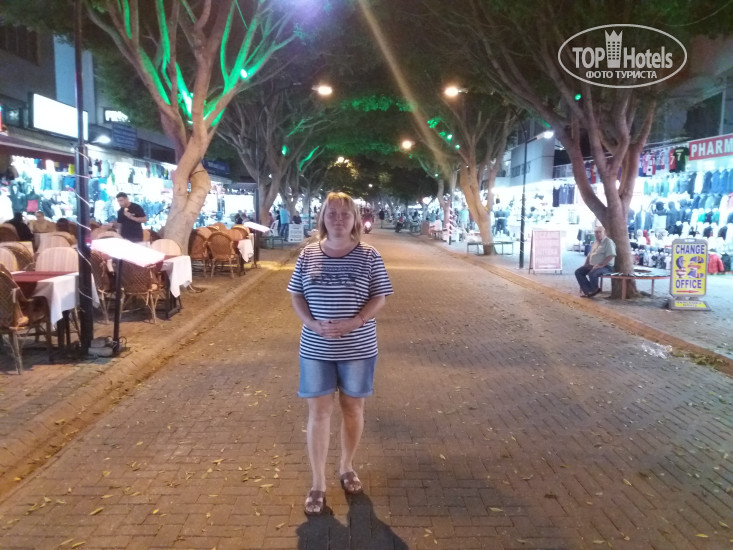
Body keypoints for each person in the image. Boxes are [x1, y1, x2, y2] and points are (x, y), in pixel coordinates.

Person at [287, 191, 393, 516]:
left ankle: (347, 466)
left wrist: (356, 321)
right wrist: (311, 323)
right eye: (331, 213)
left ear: (356, 220)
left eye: (345, 214)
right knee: (318, 413)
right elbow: (296, 295)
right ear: (322, 218)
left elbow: (380, 296)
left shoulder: (369, 255)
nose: (338, 219)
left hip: (358, 348)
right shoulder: (308, 254)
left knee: (352, 409)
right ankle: (318, 482)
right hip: (316, 348)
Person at [575, 225, 616, 297]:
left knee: (593, 273)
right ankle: (588, 291)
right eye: (596, 232)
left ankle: (593, 290)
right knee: (578, 272)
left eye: (600, 232)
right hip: (592, 265)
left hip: (606, 266)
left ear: (604, 232)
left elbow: (611, 255)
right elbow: (589, 255)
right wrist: (585, 264)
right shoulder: (595, 242)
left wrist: (602, 265)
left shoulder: (608, 242)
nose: (598, 234)